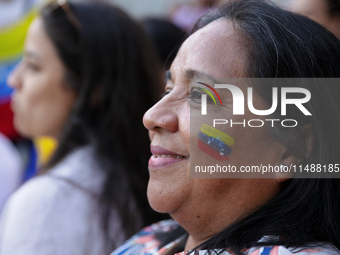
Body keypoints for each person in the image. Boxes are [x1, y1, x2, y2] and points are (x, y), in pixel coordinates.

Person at [111, 0, 340, 255]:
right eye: (168, 88)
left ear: (289, 148)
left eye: (200, 95)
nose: (152, 116)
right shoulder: (155, 236)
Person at [0, 1, 166, 254]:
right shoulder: (149, 180)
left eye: (33, 66)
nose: (14, 80)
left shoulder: (45, 204)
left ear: (91, 88)